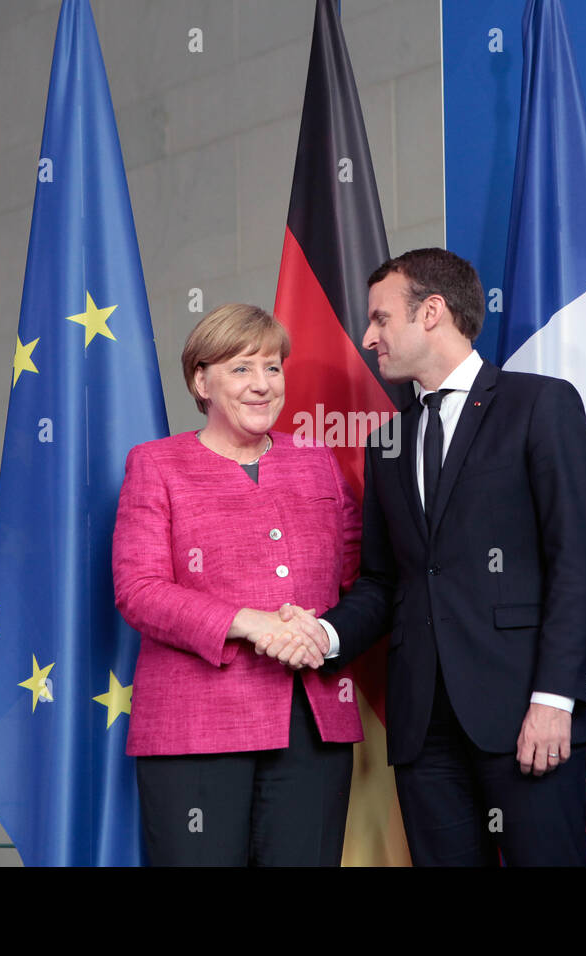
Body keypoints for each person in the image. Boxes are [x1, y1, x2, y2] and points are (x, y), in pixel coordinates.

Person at [264, 248, 586, 866]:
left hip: (526, 714)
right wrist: (322, 633)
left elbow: (576, 564)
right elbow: (380, 581)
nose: (368, 338)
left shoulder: (540, 406)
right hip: (424, 732)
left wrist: (555, 700)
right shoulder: (386, 441)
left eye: (379, 319)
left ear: (432, 312)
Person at [112, 303, 363, 866]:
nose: (262, 384)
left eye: (273, 368)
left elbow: (360, 578)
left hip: (314, 726)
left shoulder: (317, 462)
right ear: (201, 379)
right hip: (195, 729)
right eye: (241, 368)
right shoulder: (156, 464)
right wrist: (250, 623)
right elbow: (140, 588)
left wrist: (322, 633)